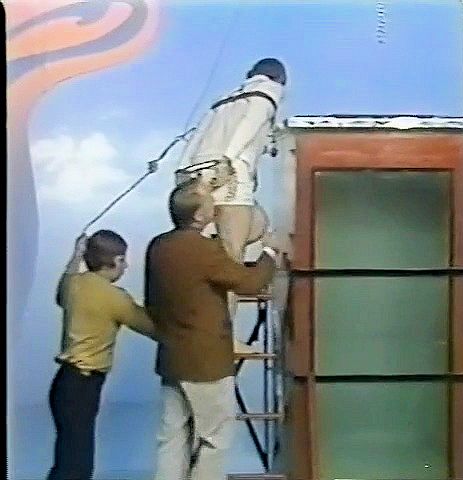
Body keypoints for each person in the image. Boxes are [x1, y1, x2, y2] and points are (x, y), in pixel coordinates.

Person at [145, 178, 284, 480]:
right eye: (210, 200)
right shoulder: (205, 250)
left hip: (172, 359)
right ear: (198, 215)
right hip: (206, 363)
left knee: (172, 439)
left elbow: (153, 304)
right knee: (215, 438)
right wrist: (270, 252)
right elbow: (249, 283)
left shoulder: (158, 246)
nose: (216, 204)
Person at [48, 230, 156, 480]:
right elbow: (153, 329)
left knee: (67, 460)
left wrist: (77, 254)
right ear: (115, 261)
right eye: (123, 260)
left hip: (65, 383)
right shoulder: (115, 297)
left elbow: (63, 286)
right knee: (77, 467)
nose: (126, 266)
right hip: (83, 386)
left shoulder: (74, 284)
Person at [175, 57, 287, 264]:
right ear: (279, 78)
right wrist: (228, 159)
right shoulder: (269, 91)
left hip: (197, 173)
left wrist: (182, 168)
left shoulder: (225, 99)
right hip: (231, 173)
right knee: (232, 255)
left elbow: (198, 134)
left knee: (256, 223)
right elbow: (250, 124)